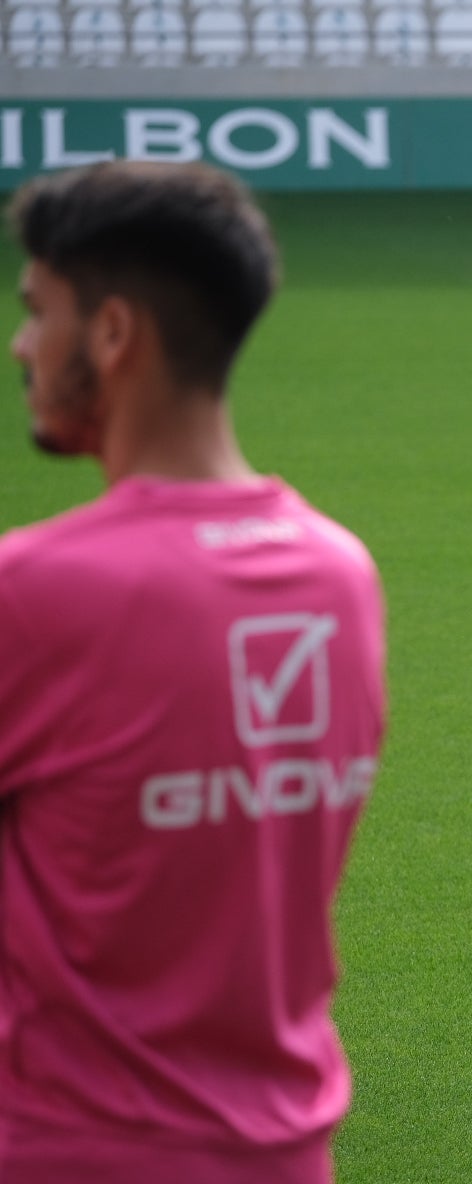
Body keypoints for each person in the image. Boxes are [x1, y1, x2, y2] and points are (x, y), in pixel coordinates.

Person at [0, 161, 386, 1180]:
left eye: (38, 310)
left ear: (114, 332)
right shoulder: (338, 570)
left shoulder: (36, 590)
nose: (21, 345)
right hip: (287, 1148)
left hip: (67, 1149)